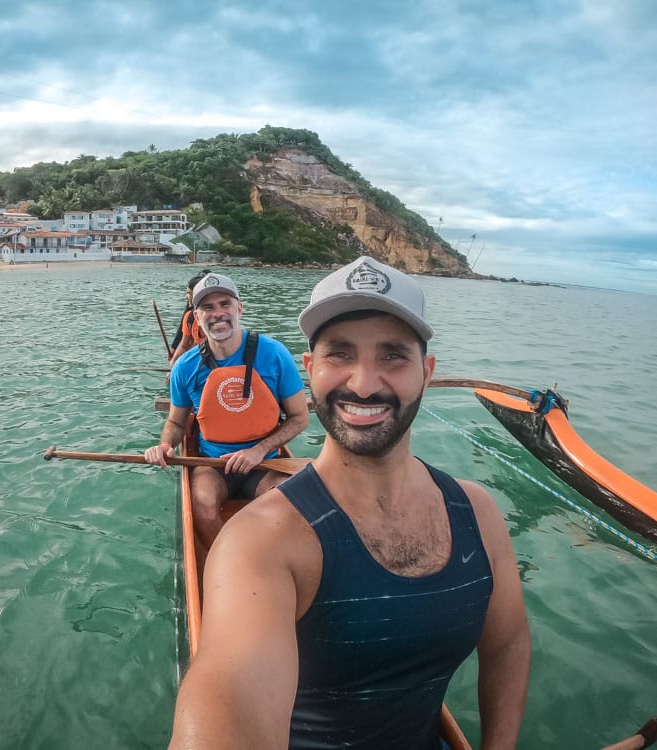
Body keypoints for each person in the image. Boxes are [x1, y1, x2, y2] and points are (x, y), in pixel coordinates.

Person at [168, 256, 531, 749]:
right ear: (310, 368)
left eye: (392, 356)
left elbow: (508, 644)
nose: (363, 383)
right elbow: (228, 699)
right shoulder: (259, 542)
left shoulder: (478, 513)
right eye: (339, 354)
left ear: (426, 372)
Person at [145, 272, 310, 552]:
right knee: (203, 506)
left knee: (290, 506)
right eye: (208, 307)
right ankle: (228, 560)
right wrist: (163, 445)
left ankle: (274, 561)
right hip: (213, 464)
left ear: (239, 309)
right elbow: (175, 421)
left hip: (265, 463)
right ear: (196, 318)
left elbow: (299, 417)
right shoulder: (185, 366)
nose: (218, 313)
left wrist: (258, 450)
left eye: (225, 304)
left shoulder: (274, 354)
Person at [167, 270, 209, 373]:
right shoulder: (189, 316)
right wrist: (173, 364)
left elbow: (204, 345)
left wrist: (180, 364)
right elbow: (184, 345)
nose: (187, 297)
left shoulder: (213, 320)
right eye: (187, 293)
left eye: (189, 293)